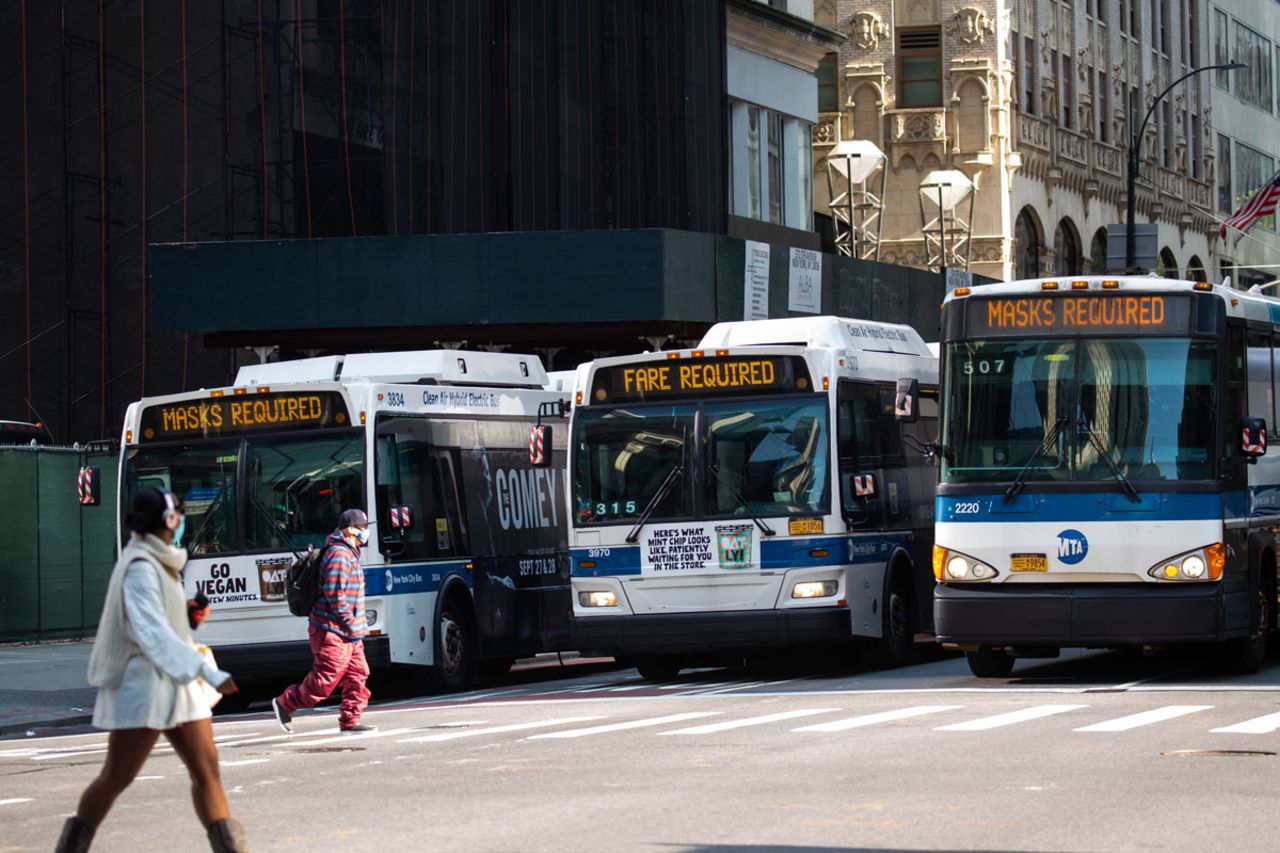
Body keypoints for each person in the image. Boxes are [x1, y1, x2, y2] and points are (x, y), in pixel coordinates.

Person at [57, 487, 246, 853]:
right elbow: (152, 632)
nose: (181, 523)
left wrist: (187, 614)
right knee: (117, 777)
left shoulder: (157, 561)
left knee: (207, 773)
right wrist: (209, 673)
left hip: (177, 687)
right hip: (143, 687)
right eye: (178, 514)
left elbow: (162, 621)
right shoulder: (141, 567)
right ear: (168, 521)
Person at [271, 508, 374, 735]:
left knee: (358, 675)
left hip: (349, 632)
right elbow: (334, 595)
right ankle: (285, 703)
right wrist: (351, 622)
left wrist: (355, 625)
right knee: (324, 681)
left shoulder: (350, 552)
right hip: (332, 630)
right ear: (349, 530)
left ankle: (350, 722)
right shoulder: (339, 555)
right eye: (362, 528)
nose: (366, 533)